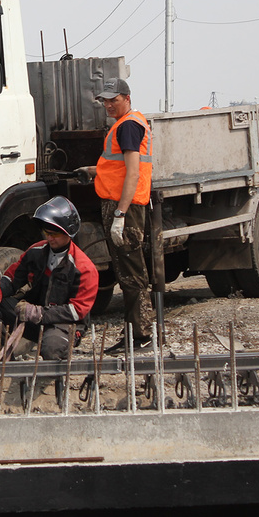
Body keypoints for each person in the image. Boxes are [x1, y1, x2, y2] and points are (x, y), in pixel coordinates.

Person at [0, 196, 99, 360]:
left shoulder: (84, 268)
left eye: (55, 233)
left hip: (63, 325)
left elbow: (77, 311)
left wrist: (38, 313)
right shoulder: (35, 252)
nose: (50, 238)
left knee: (52, 350)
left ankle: (57, 373)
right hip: (33, 319)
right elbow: (11, 279)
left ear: (69, 232)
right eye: (47, 233)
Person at [94, 77, 154, 353]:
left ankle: (141, 336)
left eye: (113, 100)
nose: (108, 105)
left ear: (127, 99)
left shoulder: (129, 125)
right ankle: (136, 333)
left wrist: (120, 213)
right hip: (124, 205)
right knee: (129, 271)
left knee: (132, 273)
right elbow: (119, 168)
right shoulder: (128, 124)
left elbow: (133, 172)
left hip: (125, 208)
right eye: (105, 100)